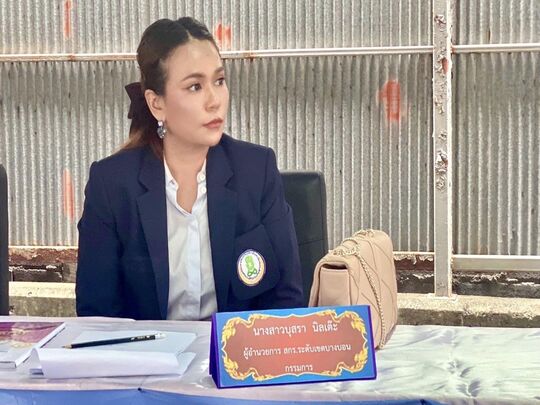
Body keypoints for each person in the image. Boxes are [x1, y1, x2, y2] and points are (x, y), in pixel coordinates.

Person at [75, 17, 304, 320]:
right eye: (195, 86)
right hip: (148, 350)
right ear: (157, 104)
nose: (214, 100)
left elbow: (286, 301)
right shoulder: (112, 184)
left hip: (235, 347)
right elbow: (97, 314)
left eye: (219, 81)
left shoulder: (256, 170)